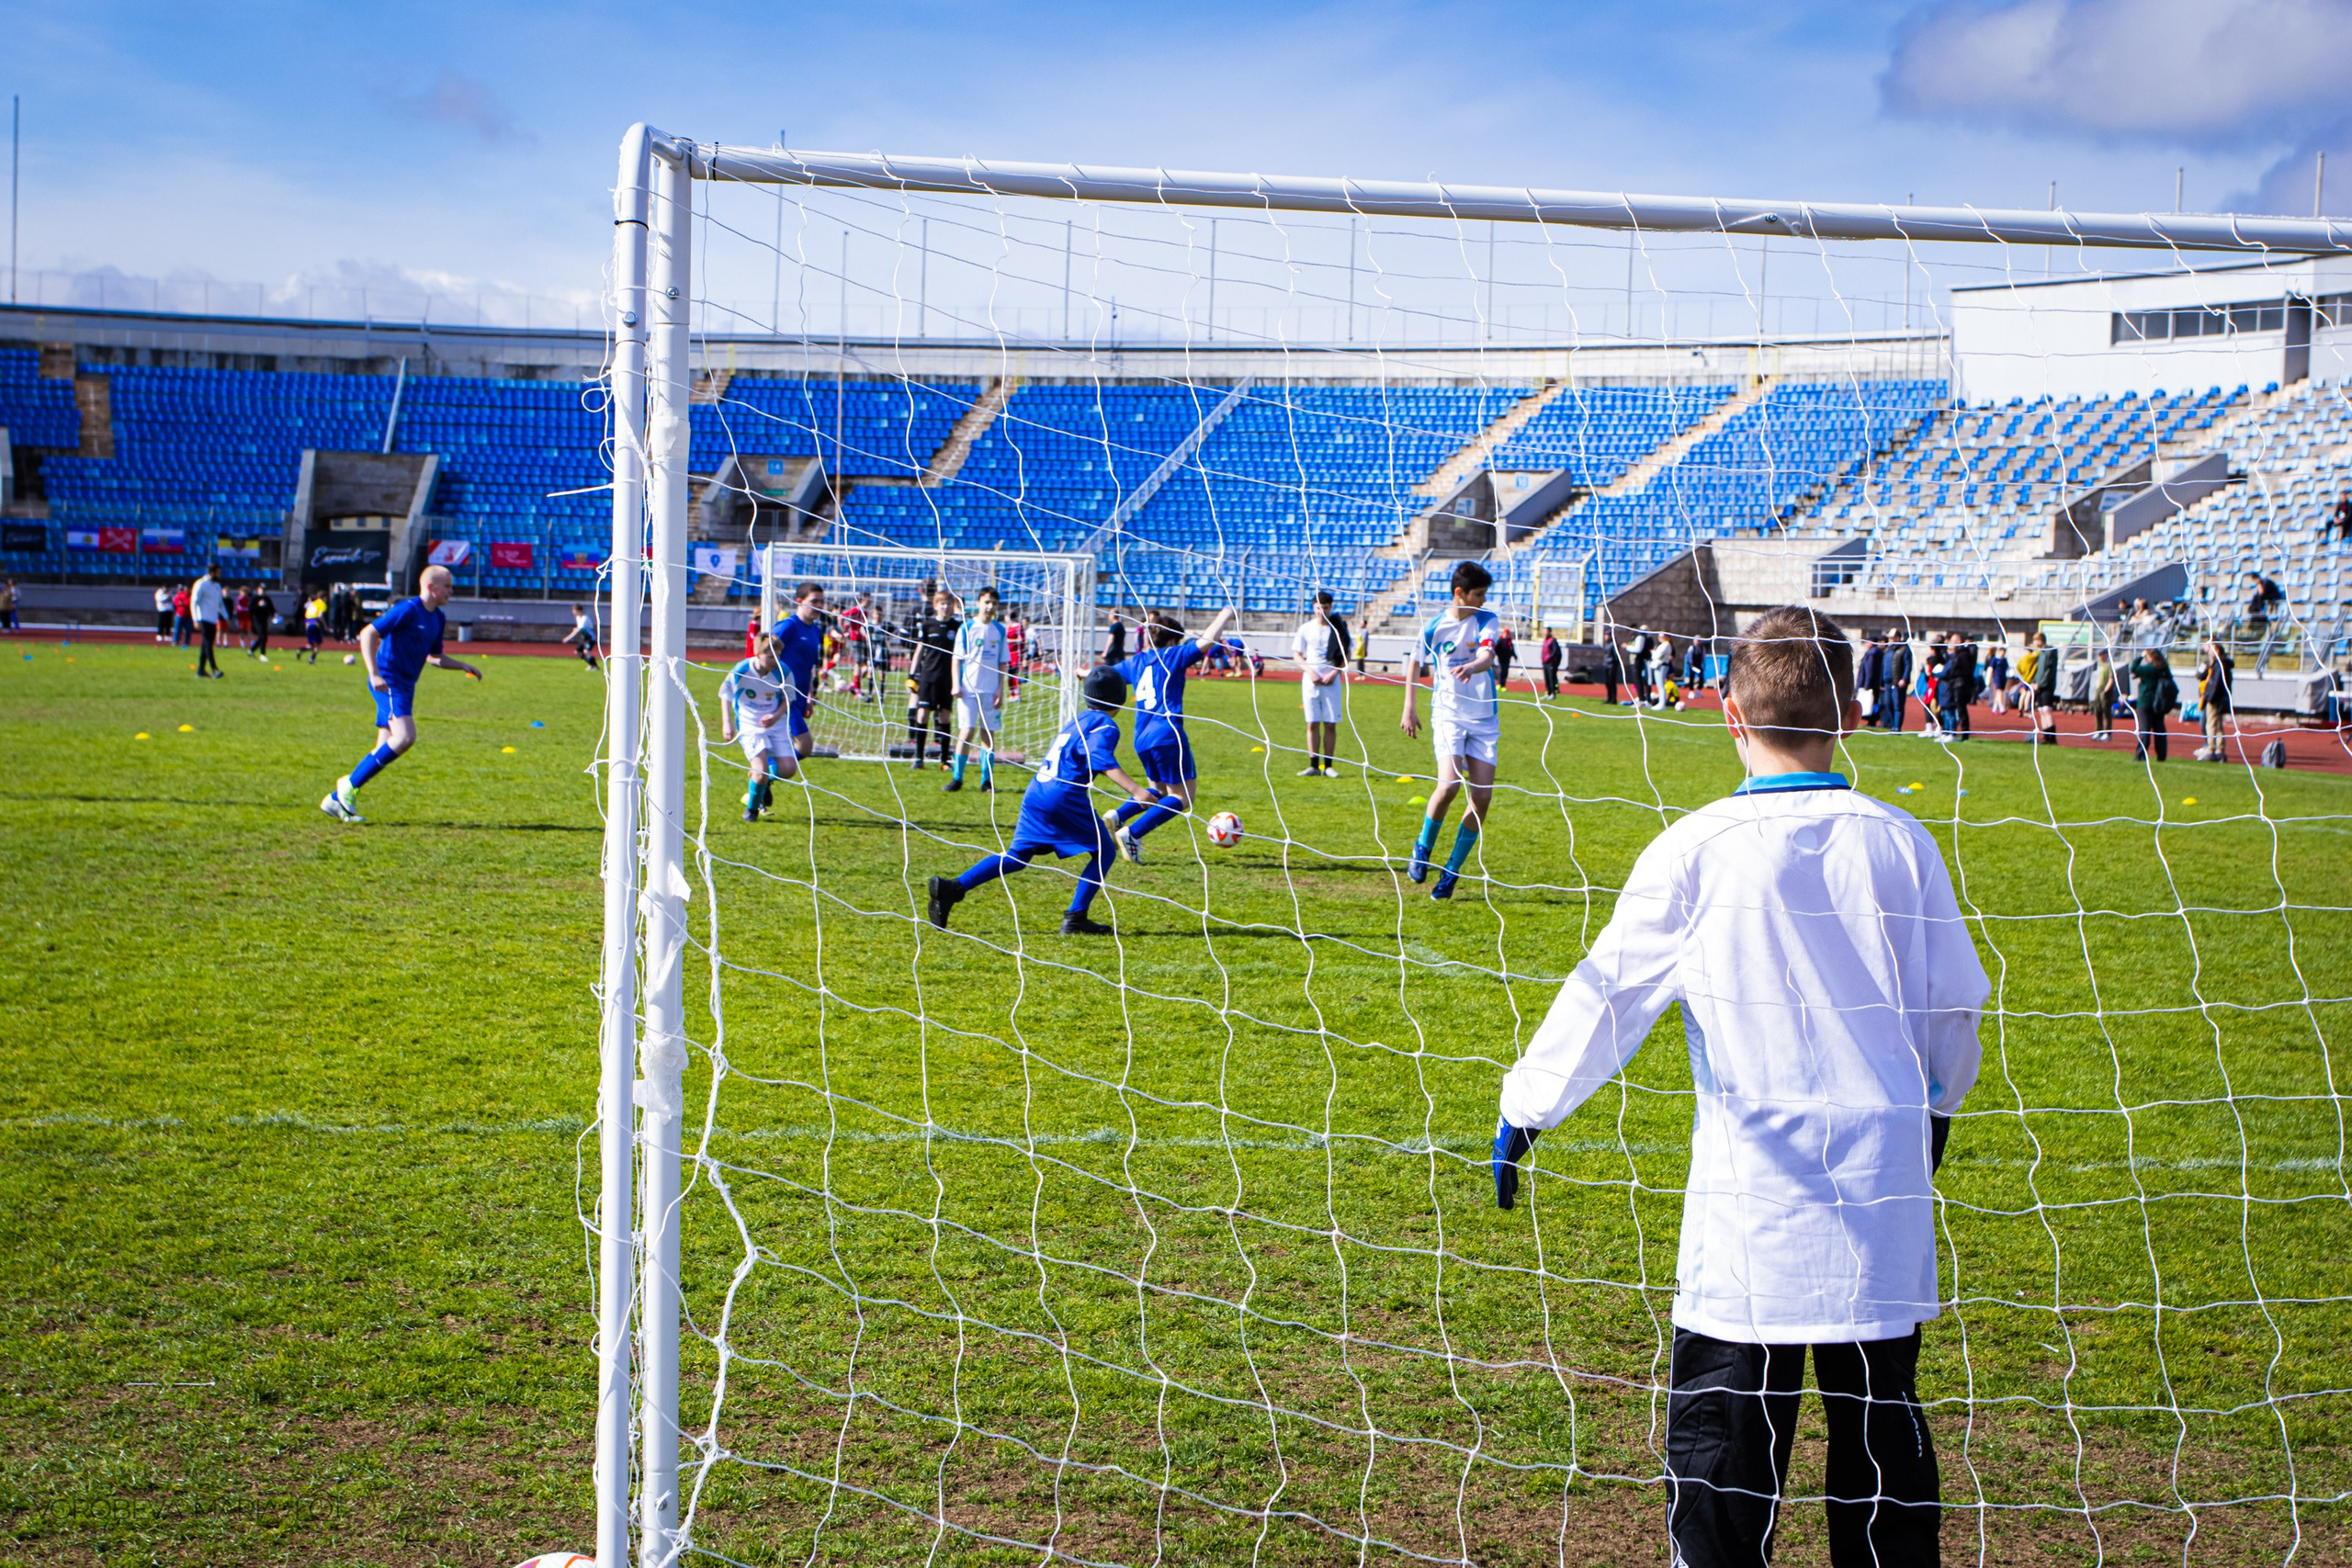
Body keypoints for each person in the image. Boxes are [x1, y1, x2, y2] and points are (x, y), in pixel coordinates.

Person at [1491, 603, 1985, 1568]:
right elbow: (1955, 1009)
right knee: (1879, 1437)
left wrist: (1526, 1107)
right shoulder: (1897, 841)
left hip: (1749, 1212)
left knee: (1723, 1451)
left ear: (1727, 711)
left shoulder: (1694, 847)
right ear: (1849, 707)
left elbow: (1608, 994)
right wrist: (1936, 1108)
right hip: (1879, 1199)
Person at [927, 665, 1177, 937]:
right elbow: (1098, 757)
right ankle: (1076, 918)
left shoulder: (1078, 719)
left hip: (1037, 791)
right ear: (1118, 701)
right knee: (1105, 851)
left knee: (1017, 857)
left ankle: (953, 888)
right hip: (1063, 795)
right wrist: (1137, 791)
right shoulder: (1107, 725)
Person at [318, 564, 482, 822]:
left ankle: (338, 799)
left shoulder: (437, 617)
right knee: (405, 737)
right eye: (448, 586)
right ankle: (346, 786)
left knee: (384, 748)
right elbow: (368, 633)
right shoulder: (408, 609)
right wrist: (374, 673)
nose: (452, 591)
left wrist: (461, 665)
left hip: (406, 686)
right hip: (389, 682)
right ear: (431, 587)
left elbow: (434, 657)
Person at [1401, 559, 1503, 902]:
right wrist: (1409, 707)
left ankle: (1451, 873)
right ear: (1460, 593)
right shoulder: (1433, 628)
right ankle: (1422, 847)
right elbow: (1415, 661)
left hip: (1484, 719)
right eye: (1478, 594)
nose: (1483, 600)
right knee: (1449, 785)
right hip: (1448, 716)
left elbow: (1488, 657)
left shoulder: (1487, 620)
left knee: (1482, 798)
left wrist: (1472, 666)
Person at [1110, 604, 1238, 818]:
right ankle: (1132, 833)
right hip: (1166, 733)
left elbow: (1105, 675)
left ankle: (1116, 817)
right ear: (1171, 641)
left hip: (1140, 738)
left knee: (1158, 792)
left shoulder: (1136, 662)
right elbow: (1206, 641)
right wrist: (1225, 614)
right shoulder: (1173, 654)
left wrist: (1083, 672)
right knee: (1183, 796)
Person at [719, 634, 800, 821]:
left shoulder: (783, 671)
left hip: (776, 724)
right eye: (771, 656)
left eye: (778, 656)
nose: (775, 661)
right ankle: (751, 811)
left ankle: (758, 780)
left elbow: (789, 698)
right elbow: (725, 693)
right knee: (761, 770)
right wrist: (727, 721)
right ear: (757, 653)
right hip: (749, 724)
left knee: (788, 770)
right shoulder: (741, 669)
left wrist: (775, 716)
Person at [944, 585, 1009, 793]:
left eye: (994, 604)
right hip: (968, 689)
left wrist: (1001, 689)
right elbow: (956, 659)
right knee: (967, 731)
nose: (990, 607)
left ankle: (986, 781)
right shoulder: (966, 627)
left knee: (988, 735)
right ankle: (957, 778)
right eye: (987, 602)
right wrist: (956, 684)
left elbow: (1002, 663)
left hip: (990, 691)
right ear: (979, 602)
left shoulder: (1000, 630)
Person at [767, 581, 829, 775]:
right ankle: (763, 776)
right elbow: (763, 653)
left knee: (783, 746)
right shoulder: (788, 626)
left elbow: (808, 666)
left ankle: (759, 789)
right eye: (814, 601)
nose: (819, 606)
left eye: (821, 602)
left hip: (800, 696)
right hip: (783, 697)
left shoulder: (816, 631)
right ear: (799, 601)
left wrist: (809, 695)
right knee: (804, 746)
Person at [1289, 590, 1349, 777]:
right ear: (1313, 608)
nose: (1321, 611)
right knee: (1312, 722)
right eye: (1318, 608)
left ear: (1331, 608)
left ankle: (1328, 765)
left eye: (1325, 608)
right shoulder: (1306, 628)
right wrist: (1309, 671)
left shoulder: (1338, 629)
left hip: (1331, 680)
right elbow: (1297, 654)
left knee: (1330, 723)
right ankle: (1313, 764)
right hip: (1311, 680)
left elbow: (1347, 655)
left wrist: (1334, 672)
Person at [906, 585, 959, 770]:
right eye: (942, 604)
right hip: (928, 676)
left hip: (948, 678)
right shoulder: (928, 625)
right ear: (936, 605)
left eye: (949, 604)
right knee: (922, 713)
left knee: (944, 717)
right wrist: (912, 674)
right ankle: (919, 759)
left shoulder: (957, 627)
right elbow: (919, 650)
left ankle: (945, 760)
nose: (946, 607)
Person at [2131, 646, 2175, 763]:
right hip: (2159, 703)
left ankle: (2140, 755)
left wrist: (2141, 656)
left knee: (2145, 730)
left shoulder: (2149, 669)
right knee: (2159, 730)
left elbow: (2134, 668)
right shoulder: (2164, 669)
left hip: (2145, 702)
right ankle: (2161, 756)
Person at [2195, 635, 2234, 762]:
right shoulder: (2214, 664)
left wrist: (2209, 697)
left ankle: (2211, 749)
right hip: (2219, 699)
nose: (2208, 650)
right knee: (2218, 726)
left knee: (2211, 725)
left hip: (2215, 700)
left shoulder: (2219, 665)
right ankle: (2219, 750)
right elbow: (2199, 675)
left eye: (2210, 647)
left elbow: (2216, 683)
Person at [190, 565, 226, 679]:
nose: (219, 575)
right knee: (208, 643)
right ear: (212, 572)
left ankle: (201, 671)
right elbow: (194, 602)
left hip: (212, 619)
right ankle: (214, 669)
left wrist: (227, 616)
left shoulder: (216, 585)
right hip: (203, 618)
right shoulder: (201, 584)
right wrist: (195, 619)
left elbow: (220, 603)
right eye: (218, 572)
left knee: (206, 644)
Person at [1939, 633, 1976, 741]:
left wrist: (1969, 685)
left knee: (1961, 709)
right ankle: (1953, 732)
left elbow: (1967, 672)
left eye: (1952, 641)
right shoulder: (1957, 654)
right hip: (1955, 684)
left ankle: (1964, 733)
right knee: (1956, 709)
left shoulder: (1963, 655)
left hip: (1960, 685)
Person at [2028, 630, 2061, 745]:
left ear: (2040, 640)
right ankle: (2046, 736)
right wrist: (2034, 682)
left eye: (2035, 640)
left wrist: (2040, 684)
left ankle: (2052, 737)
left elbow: (2048, 672)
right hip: (2039, 686)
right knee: (2041, 711)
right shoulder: (2040, 653)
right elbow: (2039, 671)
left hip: (2047, 686)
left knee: (2047, 710)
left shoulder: (2050, 651)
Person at [1879, 630, 1911, 732]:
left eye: (1892, 638)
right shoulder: (1889, 650)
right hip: (1887, 682)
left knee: (1897, 705)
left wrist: (1904, 679)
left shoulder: (1904, 649)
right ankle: (1892, 725)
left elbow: (1908, 666)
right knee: (1888, 704)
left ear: (1897, 638)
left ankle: (1897, 727)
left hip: (1897, 682)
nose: (1890, 640)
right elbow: (1884, 666)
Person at [2089, 646, 2117, 742]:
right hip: (2099, 690)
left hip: (2105, 691)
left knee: (2106, 712)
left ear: (2105, 655)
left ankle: (2107, 733)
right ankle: (2098, 731)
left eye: (2101, 655)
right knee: (2098, 711)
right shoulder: (2100, 665)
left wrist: (2106, 690)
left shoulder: (2109, 666)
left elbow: (2111, 679)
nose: (2099, 657)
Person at [566, 604, 600, 670]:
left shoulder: (585, 618)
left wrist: (568, 638)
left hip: (591, 638)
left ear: (579, 611)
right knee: (577, 652)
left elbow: (579, 629)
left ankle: (595, 666)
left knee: (586, 651)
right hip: (585, 638)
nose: (573, 613)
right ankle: (592, 665)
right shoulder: (578, 618)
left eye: (574, 611)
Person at [247, 587, 275, 660]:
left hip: (264, 620)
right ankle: (262, 654)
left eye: (265, 590)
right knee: (263, 636)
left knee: (264, 637)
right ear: (258, 590)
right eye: (262, 590)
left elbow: (272, 608)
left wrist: (275, 615)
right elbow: (250, 609)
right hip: (257, 620)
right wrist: (259, 606)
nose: (263, 591)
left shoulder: (267, 598)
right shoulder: (255, 598)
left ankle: (251, 650)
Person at [1984, 644, 2010, 715]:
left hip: (2003, 678)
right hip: (1997, 677)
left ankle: (1994, 708)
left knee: (2000, 692)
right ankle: (2001, 707)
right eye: (2002, 651)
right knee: (1999, 692)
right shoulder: (1994, 660)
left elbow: (2007, 668)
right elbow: (1991, 669)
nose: (2003, 653)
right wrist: (1989, 678)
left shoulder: (2004, 660)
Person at [303, 590, 327, 663]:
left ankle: (301, 650)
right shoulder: (322, 604)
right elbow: (320, 616)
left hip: (307, 623)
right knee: (318, 644)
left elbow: (305, 607)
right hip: (315, 624)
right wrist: (325, 626)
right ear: (324, 598)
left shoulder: (313, 603)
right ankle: (312, 659)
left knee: (312, 645)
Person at [1492, 622, 1517, 694]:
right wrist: (1497, 655)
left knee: (1505, 672)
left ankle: (1503, 685)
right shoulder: (1500, 641)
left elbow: (1512, 650)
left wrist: (1515, 656)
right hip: (1501, 659)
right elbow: (1497, 649)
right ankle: (1499, 684)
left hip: (1507, 659)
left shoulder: (1509, 642)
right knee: (1501, 671)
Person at [1539, 626, 1562, 698]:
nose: (1545, 633)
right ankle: (1548, 692)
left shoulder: (1552, 640)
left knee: (1551, 677)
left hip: (1551, 662)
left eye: (1546, 631)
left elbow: (1555, 651)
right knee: (1547, 678)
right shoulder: (1545, 640)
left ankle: (1553, 693)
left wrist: (1549, 658)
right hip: (1545, 662)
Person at [172, 582, 193, 648]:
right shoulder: (180, 595)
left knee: (188, 630)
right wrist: (179, 603)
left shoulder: (192, 596)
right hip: (180, 615)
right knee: (177, 629)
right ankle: (175, 641)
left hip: (188, 616)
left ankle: (187, 642)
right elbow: (175, 603)